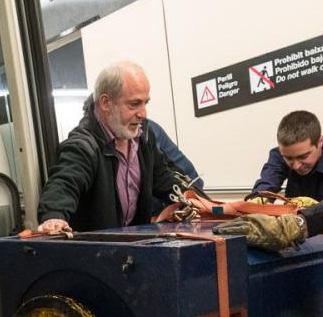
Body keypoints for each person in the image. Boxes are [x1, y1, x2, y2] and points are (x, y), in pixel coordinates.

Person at [37, 61, 206, 233]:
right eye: (134, 104)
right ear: (106, 103)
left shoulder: (144, 138)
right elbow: (65, 183)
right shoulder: (83, 146)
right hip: (97, 247)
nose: (143, 114)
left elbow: (164, 180)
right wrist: (54, 216)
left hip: (136, 244)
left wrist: (205, 204)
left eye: (145, 103)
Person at [249, 110, 323, 201]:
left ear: (320, 142)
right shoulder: (281, 154)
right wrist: (258, 202)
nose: (296, 166)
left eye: (303, 157)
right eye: (289, 158)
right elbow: (266, 185)